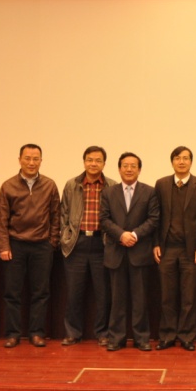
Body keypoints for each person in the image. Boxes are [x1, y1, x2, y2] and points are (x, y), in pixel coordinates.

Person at [0, 144, 60, 348]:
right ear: (20, 160)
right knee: (12, 293)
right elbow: (1, 220)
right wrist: (4, 246)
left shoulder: (49, 185)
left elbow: (56, 216)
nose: (31, 162)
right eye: (27, 158)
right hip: (15, 245)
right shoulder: (8, 186)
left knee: (40, 292)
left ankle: (37, 333)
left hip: (42, 246)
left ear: (41, 161)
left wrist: (52, 242)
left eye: (35, 159)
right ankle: (13, 334)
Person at [153, 146, 196, 351]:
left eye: (186, 158)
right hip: (167, 249)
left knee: (188, 296)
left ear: (191, 162)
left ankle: (187, 336)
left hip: (191, 250)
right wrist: (155, 243)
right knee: (167, 296)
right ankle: (167, 335)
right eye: (177, 158)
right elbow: (155, 217)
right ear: (172, 162)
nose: (181, 162)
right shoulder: (161, 184)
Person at [101, 152, 160, 351]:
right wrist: (121, 235)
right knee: (117, 300)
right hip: (116, 253)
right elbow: (104, 219)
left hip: (140, 252)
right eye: (125, 165)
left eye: (133, 166)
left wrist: (134, 234)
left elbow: (153, 219)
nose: (129, 169)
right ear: (119, 169)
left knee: (140, 300)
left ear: (139, 169)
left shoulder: (149, 192)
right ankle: (116, 338)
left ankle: (141, 338)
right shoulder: (109, 192)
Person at [59, 146, 116, 346]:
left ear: (104, 164)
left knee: (103, 293)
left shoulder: (111, 185)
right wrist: (65, 236)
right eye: (90, 160)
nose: (93, 164)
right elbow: (63, 214)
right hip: (77, 243)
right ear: (84, 162)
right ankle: (73, 332)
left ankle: (103, 333)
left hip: (102, 243)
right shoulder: (72, 184)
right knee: (74, 293)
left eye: (98, 160)